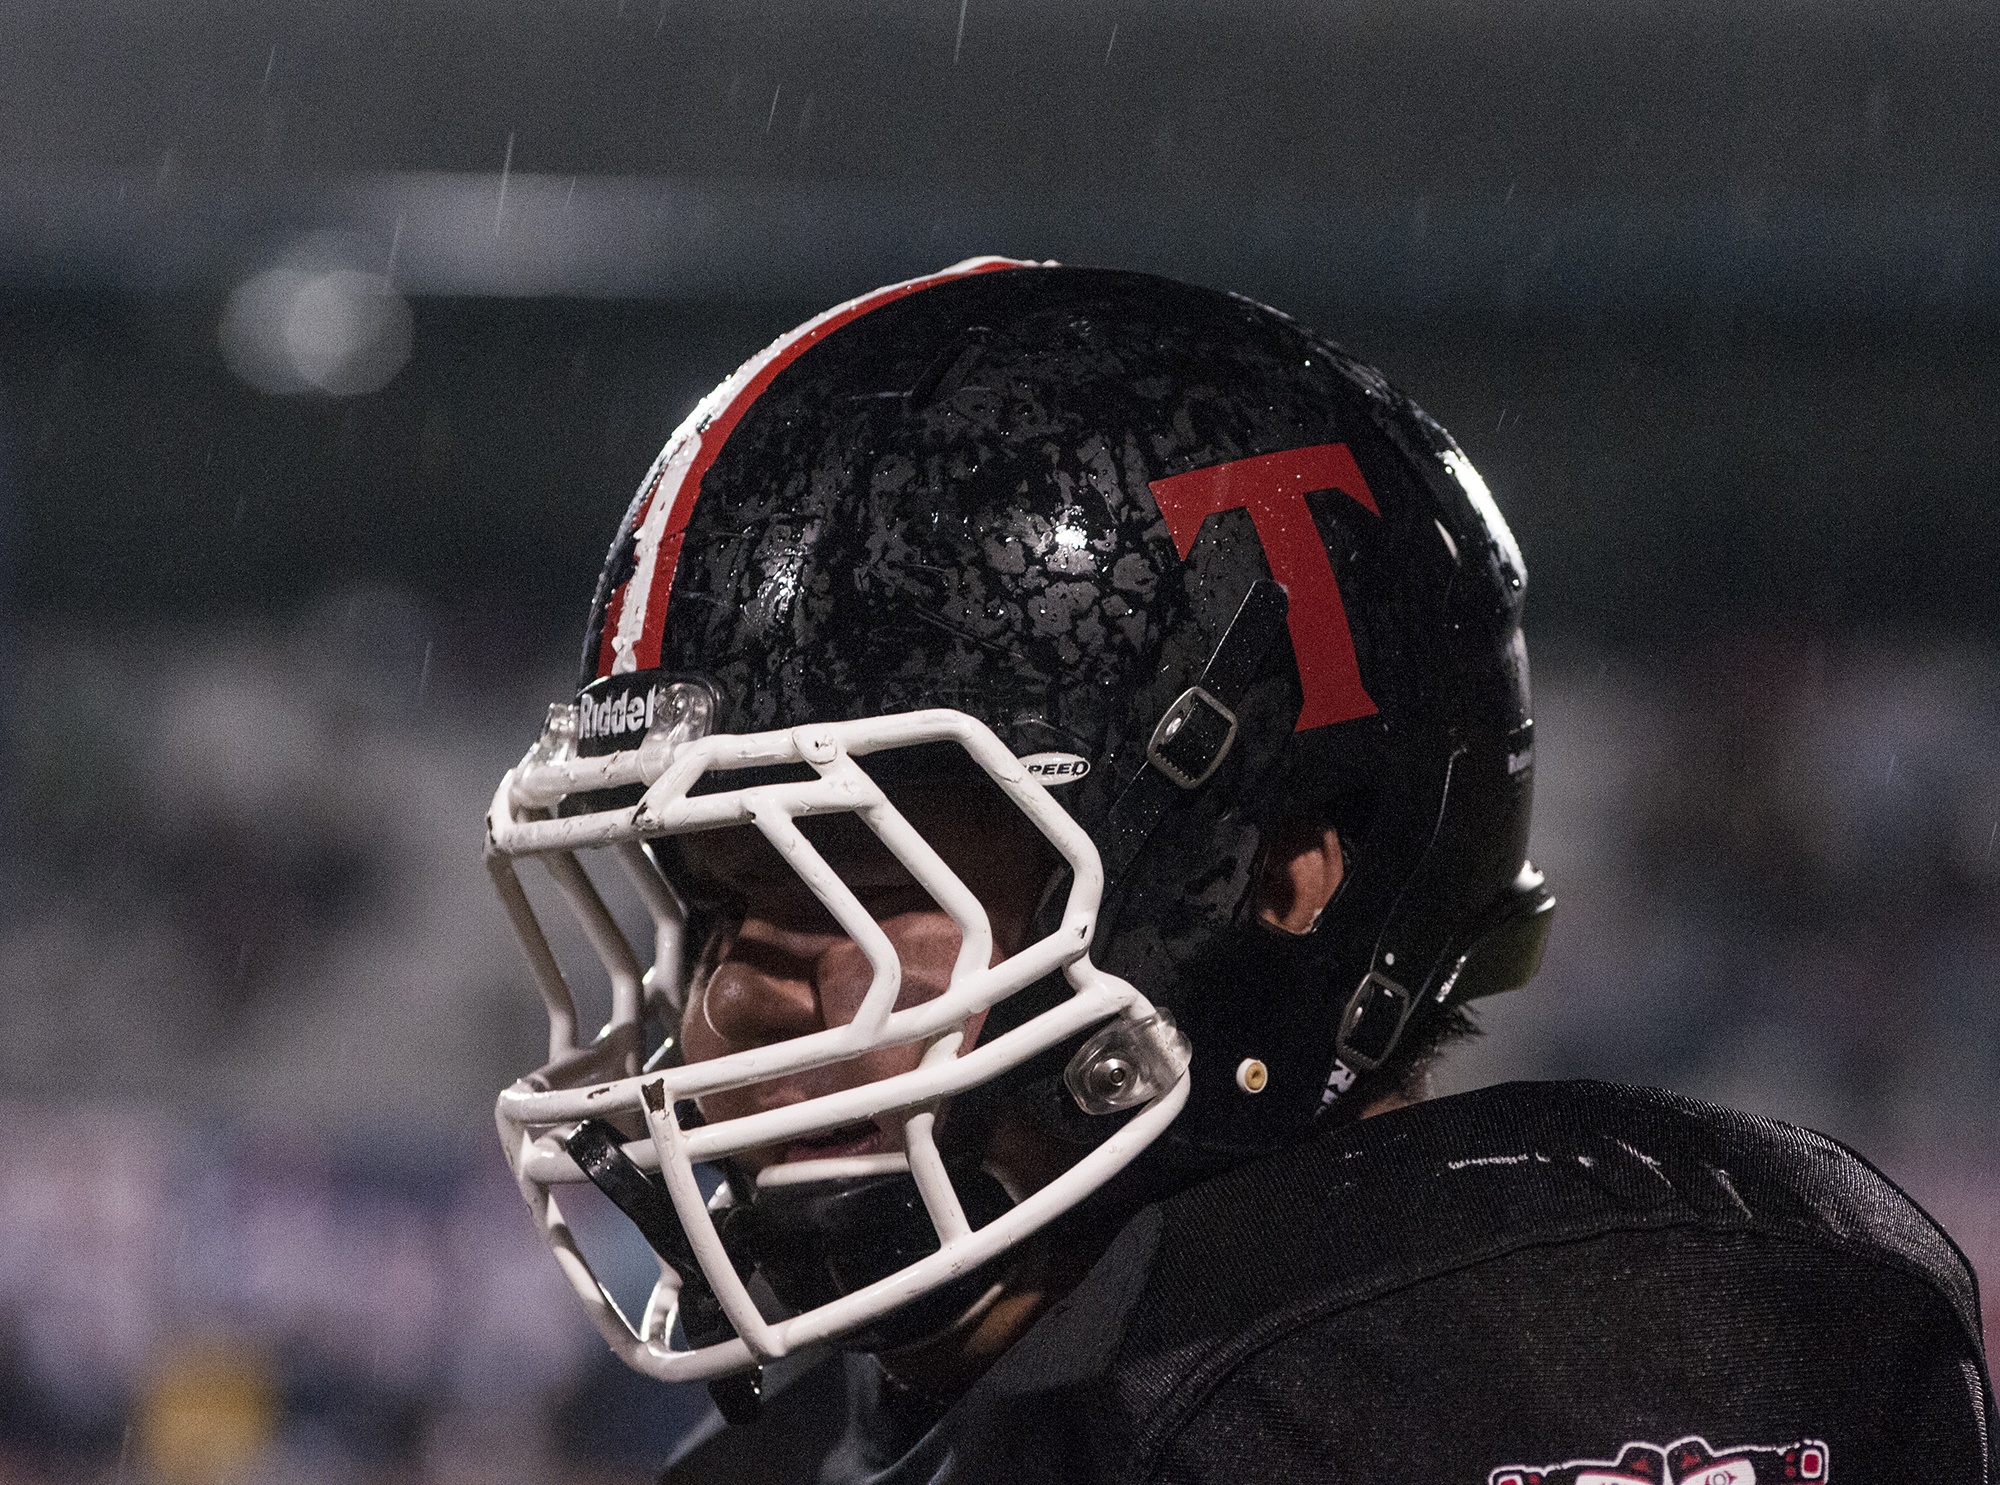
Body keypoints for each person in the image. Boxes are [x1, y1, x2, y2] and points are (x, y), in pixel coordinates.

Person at [481, 259, 1995, 1483]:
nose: (729, 1004)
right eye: (716, 903)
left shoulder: (1512, 1360)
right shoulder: (809, 1445)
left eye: (864, 876)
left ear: (1277, 881)